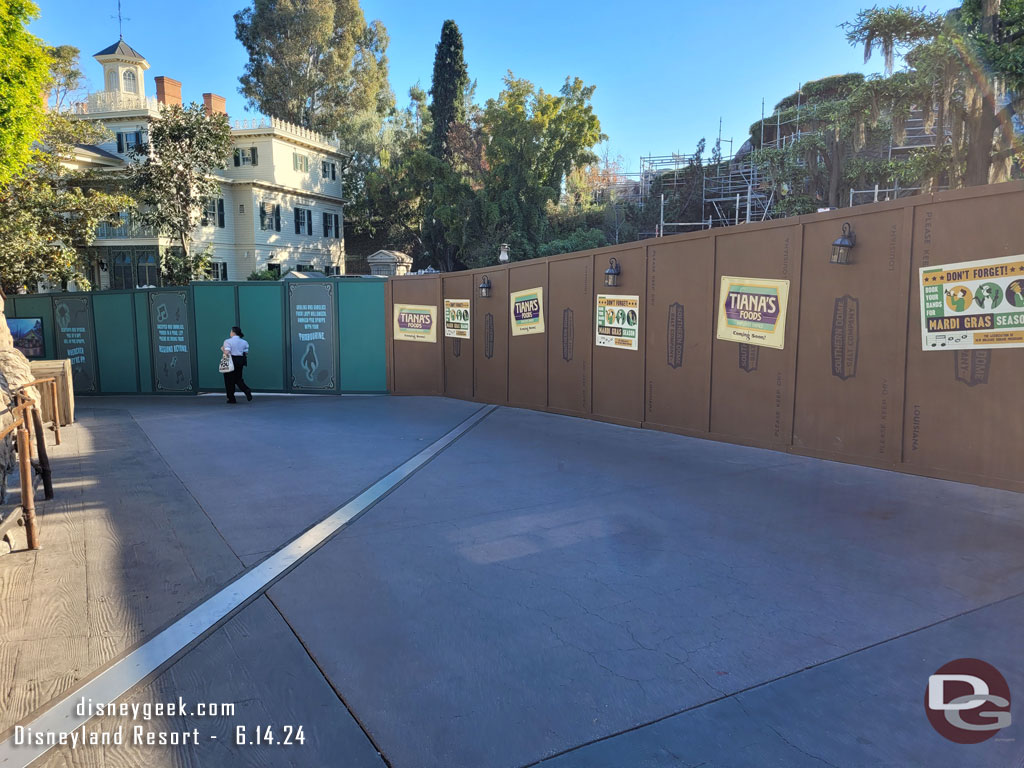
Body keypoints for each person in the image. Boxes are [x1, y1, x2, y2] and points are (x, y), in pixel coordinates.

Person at [221, 326, 252, 404]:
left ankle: (231, 398)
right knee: (238, 378)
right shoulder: (244, 342)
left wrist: (222, 349)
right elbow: (246, 353)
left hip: (231, 360)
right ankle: (246, 389)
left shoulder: (227, 341)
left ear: (233, 332)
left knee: (228, 380)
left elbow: (227, 352)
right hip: (240, 361)